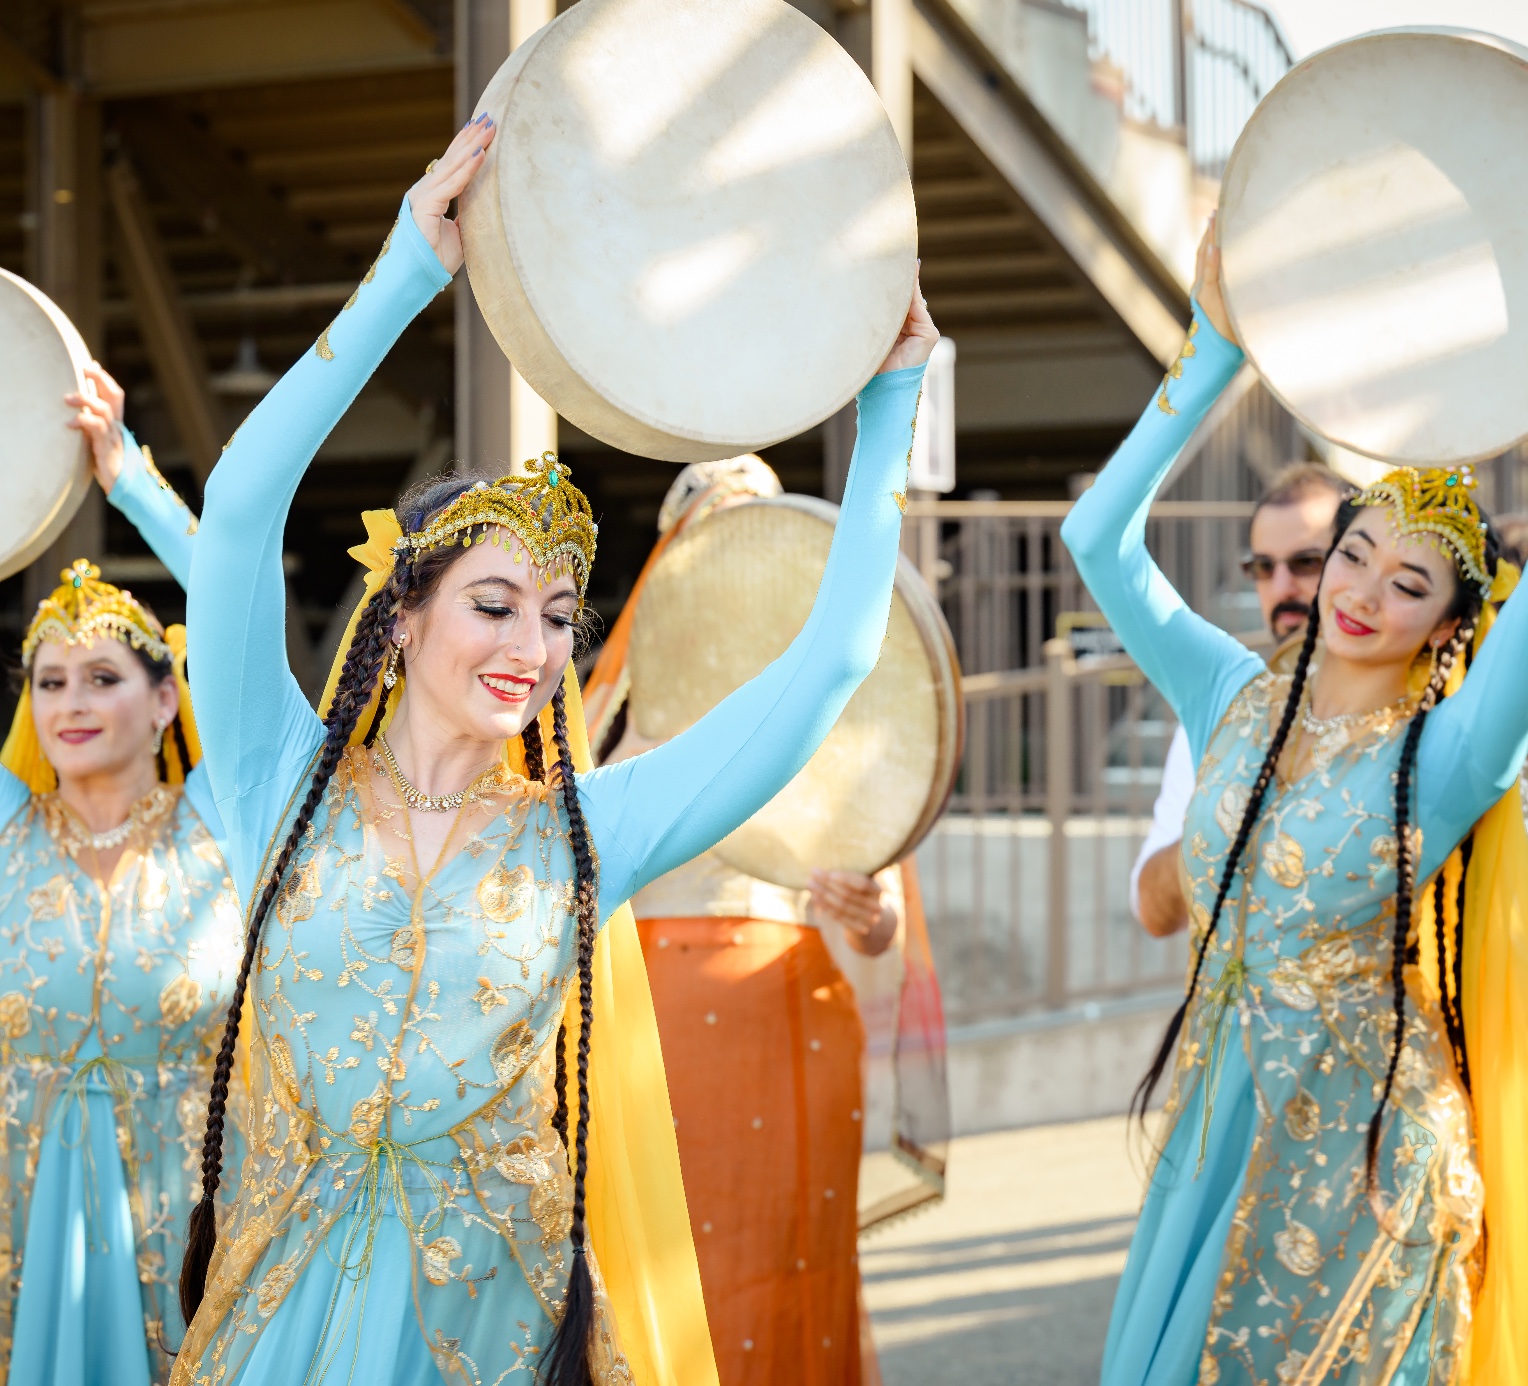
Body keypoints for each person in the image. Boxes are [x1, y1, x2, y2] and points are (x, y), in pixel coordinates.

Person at [170, 114, 937, 1386]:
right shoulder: (276, 783)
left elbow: (828, 671)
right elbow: (240, 509)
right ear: (402, 616)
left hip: (495, 1333)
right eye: (491, 604)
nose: (532, 644)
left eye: (558, 615)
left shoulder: (588, 834)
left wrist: (893, 403)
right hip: (279, 1325)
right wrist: (404, 277)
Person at [1062, 221, 1528, 1384]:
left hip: (1366, 1159)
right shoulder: (1227, 690)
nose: (1362, 591)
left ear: (1446, 623)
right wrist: (1216, 344)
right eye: (1353, 554)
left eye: (1406, 581)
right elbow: (1094, 538)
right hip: (1218, 1123)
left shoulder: (1450, 755)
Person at [584, 458, 950, 1386]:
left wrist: (866, 916)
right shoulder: (613, 713)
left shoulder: (831, 713)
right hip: (647, 1036)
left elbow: (881, 934)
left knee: (783, 1280)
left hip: (792, 1024)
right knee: (650, 1285)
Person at [0, 362, 241, 1385]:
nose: (71, 702)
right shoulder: (7, 830)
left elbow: (238, 616)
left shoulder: (222, 820)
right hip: (17, 1224)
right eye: (50, 681)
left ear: (164, 696)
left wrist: (130, 479)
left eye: (103, 678)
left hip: (194, 1224)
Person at [1130, 463, 1353, 937]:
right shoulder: (1230, 707)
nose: (1282, 588)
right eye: (1262, 568)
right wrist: (1218, 822)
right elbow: (1152, 910)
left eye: (1307, 563)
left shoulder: (1420, 702)